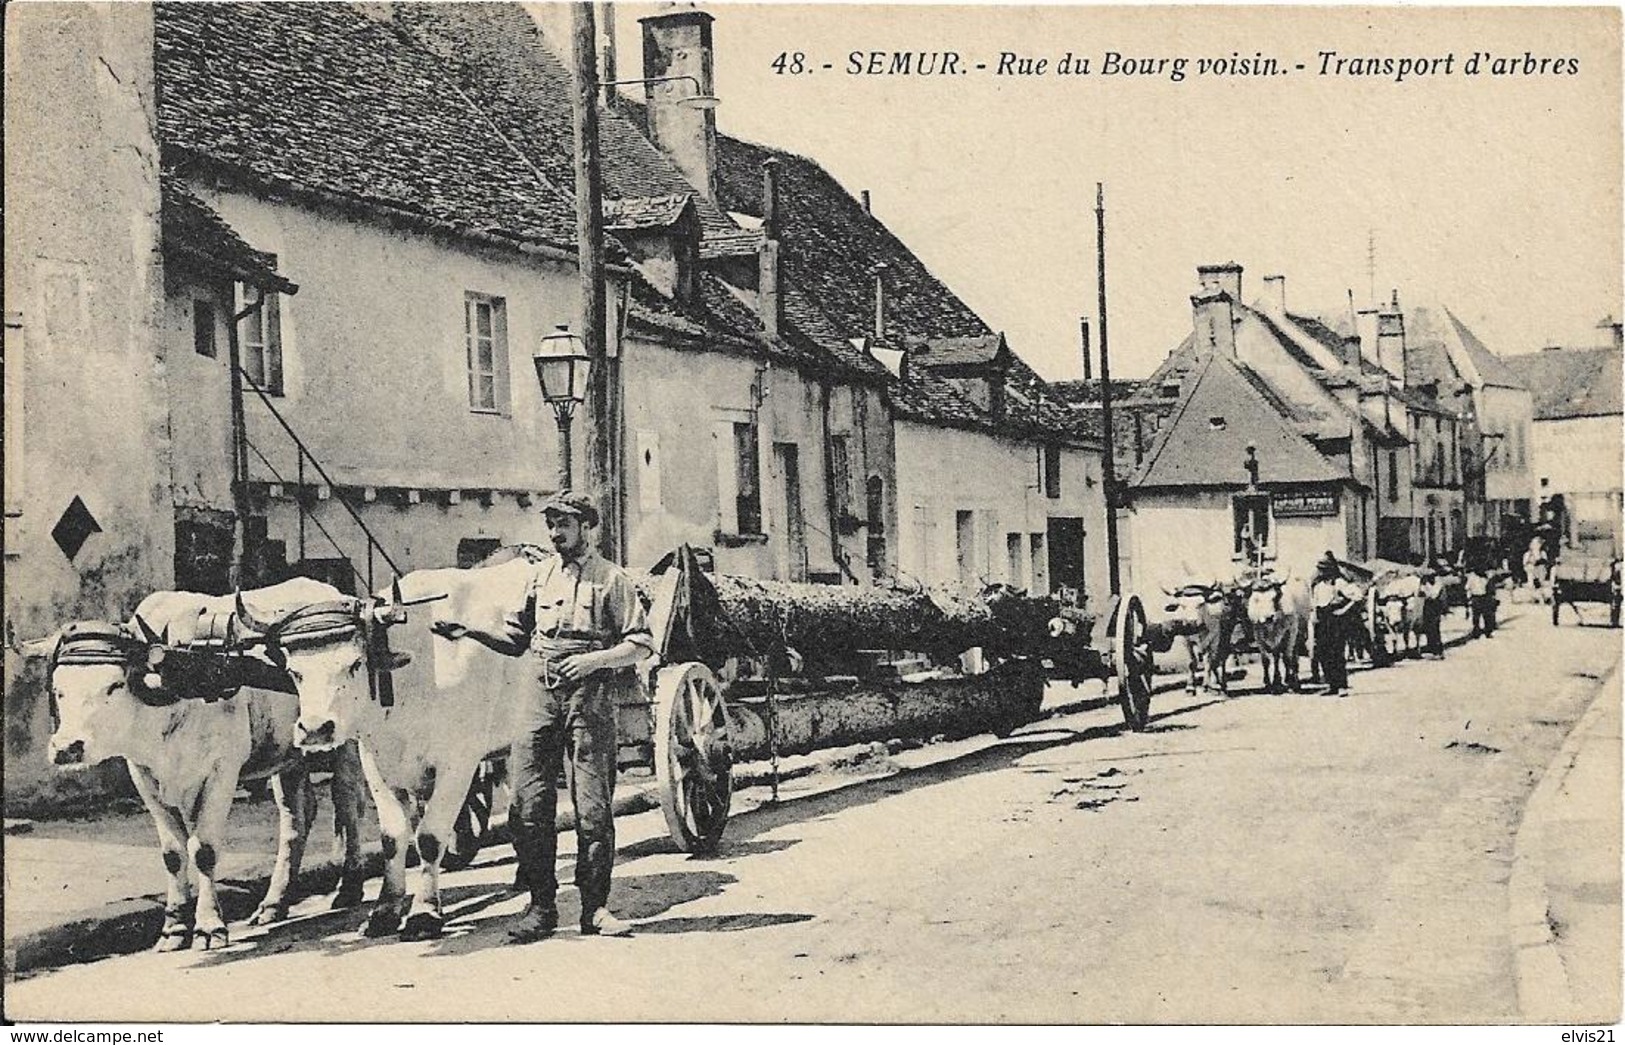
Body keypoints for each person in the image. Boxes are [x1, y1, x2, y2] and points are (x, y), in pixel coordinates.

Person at [434, 491, 653, 941]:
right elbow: (516, 638)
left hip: (589, 697)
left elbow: (642, 643)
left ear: (586, 528)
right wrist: (468, 631)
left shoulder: (612, 581)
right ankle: (541, 908)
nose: (555, 534)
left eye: (564, 525)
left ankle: (595, 910)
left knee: (592, 810)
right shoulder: (540, 577)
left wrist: (594, 661)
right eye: (551, 525)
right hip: (538, 691)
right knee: (528, 805)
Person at [1311, 552, 1359, 697]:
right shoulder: (1318, 586)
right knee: (1323, 653)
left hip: (1336, 621)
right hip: (1322, 620)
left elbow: (1357, 597)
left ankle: (1342, 686)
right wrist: (1314, 618)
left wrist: (1344, 609)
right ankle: (1332, 685)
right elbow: (1315, 604)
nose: (1320, 572)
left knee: (1337, 652)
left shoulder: (1339, 583)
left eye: (1323, 569)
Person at [1419, 567, 1445, 659]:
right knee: (1428, 627)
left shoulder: (1438, 583)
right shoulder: (1426, 584)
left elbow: (1433, 595)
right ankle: (1432, 648)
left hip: (1435, 606)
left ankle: (1438, 650)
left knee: (1434, 627)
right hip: (1427, 605)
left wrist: (1426, 587)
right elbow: (1421, 593)